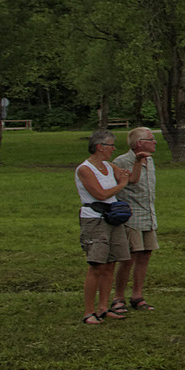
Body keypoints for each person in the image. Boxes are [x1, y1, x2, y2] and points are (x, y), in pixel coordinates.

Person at [76, 129, 140, 324]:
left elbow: (131, 179)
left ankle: (103, 308)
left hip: (112, 218)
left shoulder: (108, 166)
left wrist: (138, 162)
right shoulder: (85, 169)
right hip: (95, 220)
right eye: (111, 145)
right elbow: (100, 194)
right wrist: (121, 184)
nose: (113, 149)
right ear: (99, 147)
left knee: (111, 263)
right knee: (97, 265)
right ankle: (89, 312)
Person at [111, 127, 158, 313]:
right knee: (128, 258)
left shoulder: (150, 160)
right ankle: (118, 297)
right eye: (151, 139)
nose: (154, 142)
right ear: (139, 143)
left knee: (145, 255)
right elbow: (126, 184)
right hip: (131, 217)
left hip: (148, 215)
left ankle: (137, 296)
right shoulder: (121, 161)